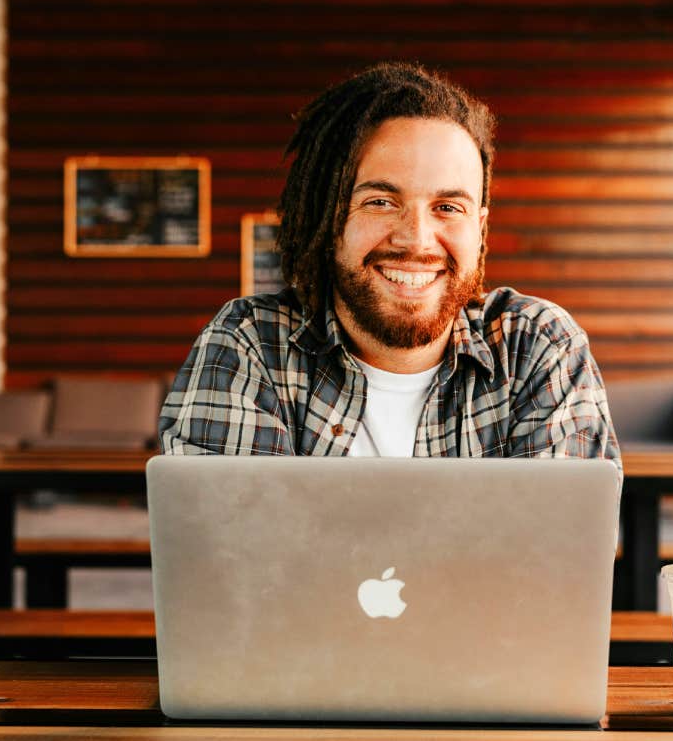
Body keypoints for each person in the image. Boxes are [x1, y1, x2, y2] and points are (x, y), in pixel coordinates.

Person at [159, 62, 619, 477]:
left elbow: (551, 564)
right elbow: (233, 560)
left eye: (447, 206)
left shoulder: (537, 348)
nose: (416, 239)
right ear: (327, 215)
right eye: (381, 201)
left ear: (480, 227)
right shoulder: (251, 345)